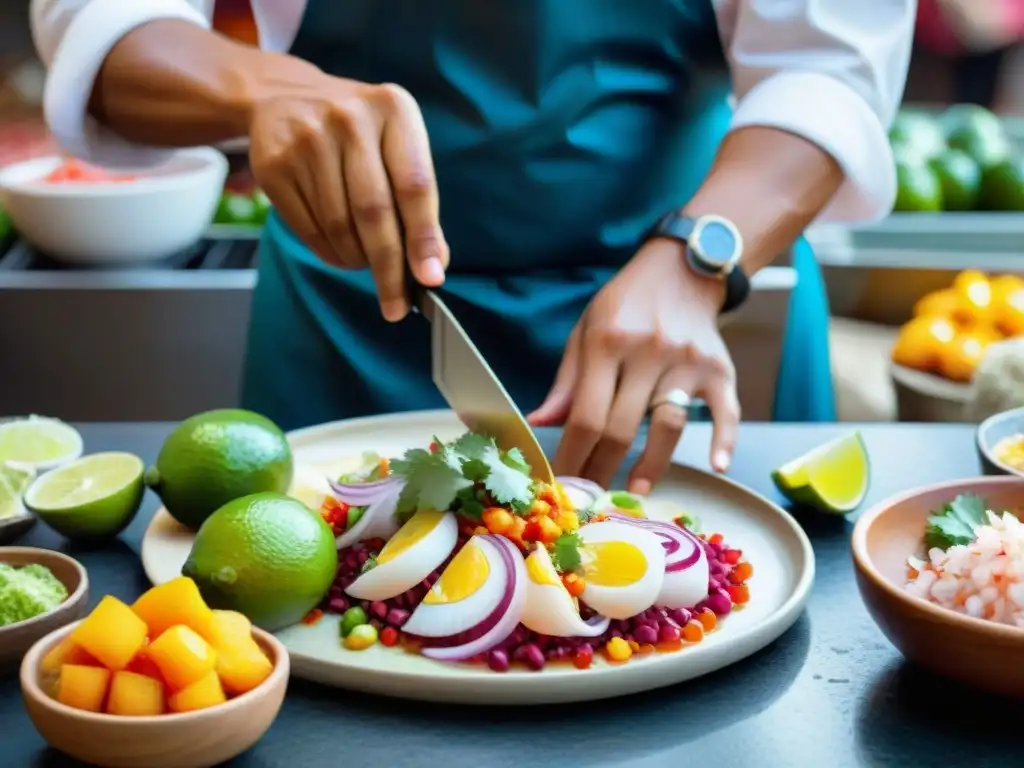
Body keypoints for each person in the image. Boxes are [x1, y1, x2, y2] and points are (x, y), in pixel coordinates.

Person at [31, 0, 913, 493]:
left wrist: (698, 256)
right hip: (358, 316)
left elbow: (828, 71)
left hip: (682, 304)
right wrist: (264, 91)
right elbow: (100, 21)